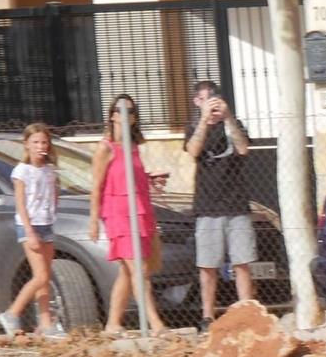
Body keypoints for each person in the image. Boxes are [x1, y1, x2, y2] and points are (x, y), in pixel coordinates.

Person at [88, 94, 169, 335]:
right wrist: (94, 220)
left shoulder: (133, 147)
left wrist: (150, 179)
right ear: (112, 115)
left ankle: (112, 324)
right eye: (121, 110)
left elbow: (129, 178)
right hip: (118, 213)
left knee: (128, 271)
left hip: (140, 209)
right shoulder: (105, 148)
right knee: (139, 270)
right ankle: (156, 324)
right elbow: (97, 185)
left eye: (131, 111)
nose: (126, 115)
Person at [185, 80, 255, 326]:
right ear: (197, 102)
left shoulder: (232, 125)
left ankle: (247, 312)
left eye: (213, 100)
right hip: (207, 205)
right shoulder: (194, 126)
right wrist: (205, 121)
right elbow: (193, 151)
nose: (210, 105)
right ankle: (207, 315)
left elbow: (244, 149)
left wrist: (228, 119)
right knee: (207, 265)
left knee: (242, 262)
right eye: (205, 100)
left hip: (236, 204)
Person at [0, 122, 64, 337]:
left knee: (44, 276)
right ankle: (12, 312)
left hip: (46, 223)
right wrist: (29, 232)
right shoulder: (22, 171)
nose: (40, 146)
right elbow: (21, 203)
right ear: (26, 144)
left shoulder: (49, 170)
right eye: (35, 142)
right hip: (30, 226)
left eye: (44, 142)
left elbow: (53, 195)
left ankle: (46, 322)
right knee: (41, 276)